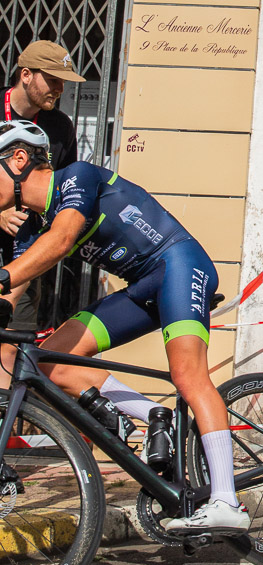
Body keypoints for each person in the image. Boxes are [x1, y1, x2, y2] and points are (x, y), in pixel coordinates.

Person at [0, 120, 247, 532]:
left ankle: (226, 500)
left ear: (19, 159)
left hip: (179, 265)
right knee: (51, 361)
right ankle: (154, 416)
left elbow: (61, 242)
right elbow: (16, 281)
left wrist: (3, 278)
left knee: (187, 375)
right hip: (141, 289)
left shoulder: (77, 176)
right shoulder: (33, 224)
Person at [1, 41, 84, 326]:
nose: (59, 88)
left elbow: (63, 188)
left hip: (24, 255)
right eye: (52, 80)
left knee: (11, 343)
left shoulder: (60, 126)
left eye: (62, 81)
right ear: (26, 75)